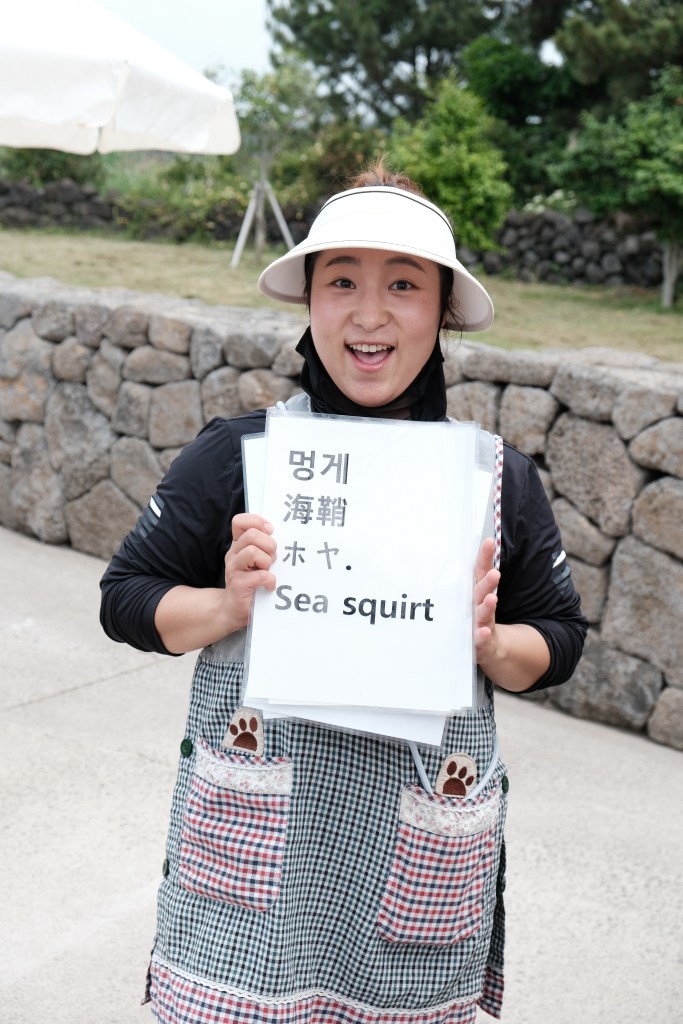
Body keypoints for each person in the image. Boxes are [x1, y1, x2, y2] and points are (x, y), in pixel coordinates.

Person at [100, 162, 587, 1024]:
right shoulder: (239, 456)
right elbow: (125, 598)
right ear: (309, 303)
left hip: (414, 865)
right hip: (253, 882)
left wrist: (488, 643)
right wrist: (226, 606)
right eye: (341, 282)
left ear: (441, 309)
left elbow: (557, 641)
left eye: (402, 284)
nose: (368, 314)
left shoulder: (494, 480)